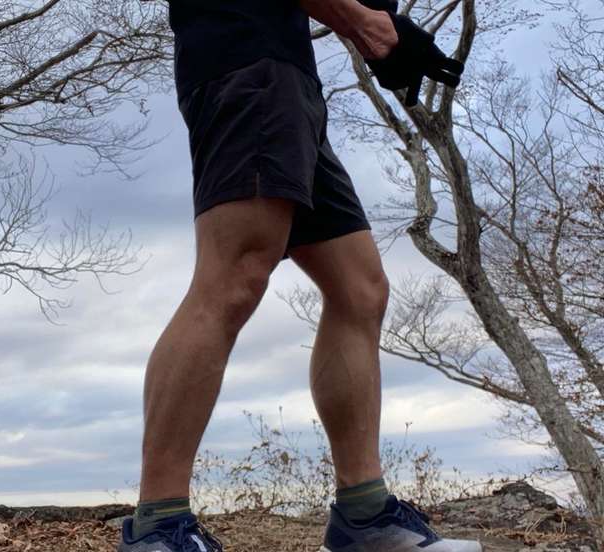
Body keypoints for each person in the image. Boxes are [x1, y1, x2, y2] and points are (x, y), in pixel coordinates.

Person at [118, 0, 480, 550]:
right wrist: (366, 25)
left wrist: (378, 16)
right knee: (233, 277)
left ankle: (364, 516)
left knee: (359, 288)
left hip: (289, 76)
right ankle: (159, 528)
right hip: (247, 59)